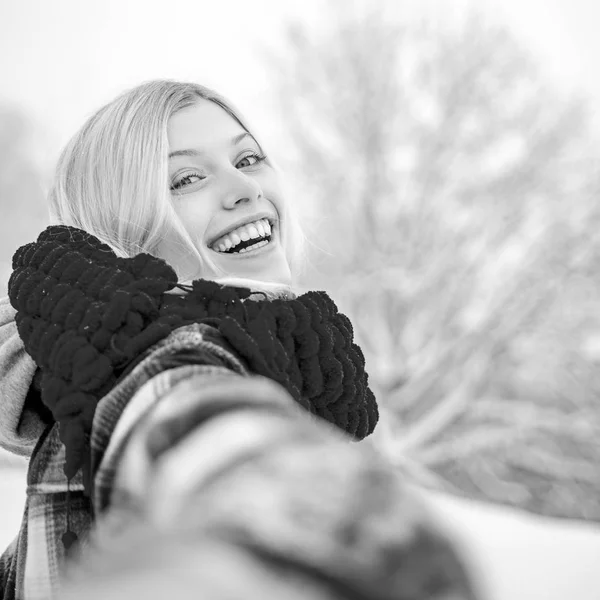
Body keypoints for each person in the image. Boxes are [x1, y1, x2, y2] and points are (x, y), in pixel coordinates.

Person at [0, 80, 479, 600]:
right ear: (120, 229)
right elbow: (188, 417)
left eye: (248, 159)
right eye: (185, 178)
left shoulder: (96, 394)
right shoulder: (160, 356)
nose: (246, 189)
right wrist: (332, 529)